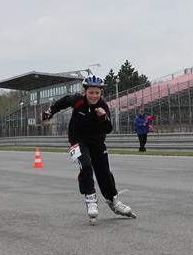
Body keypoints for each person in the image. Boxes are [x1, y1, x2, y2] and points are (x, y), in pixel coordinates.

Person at [42, 75, 135, 223]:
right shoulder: (77, 100)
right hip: (77, 140)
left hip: (97, 142)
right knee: (85, 166)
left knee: (104, 172)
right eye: (90, 92)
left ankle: (114, 201)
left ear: (101, 93)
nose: (94, 96)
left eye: (97, 93)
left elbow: (108, 129)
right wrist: (50, 112)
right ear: (84, 92)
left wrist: (103, 118)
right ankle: (90, 199)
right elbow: (63, 102)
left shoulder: (103, 106)